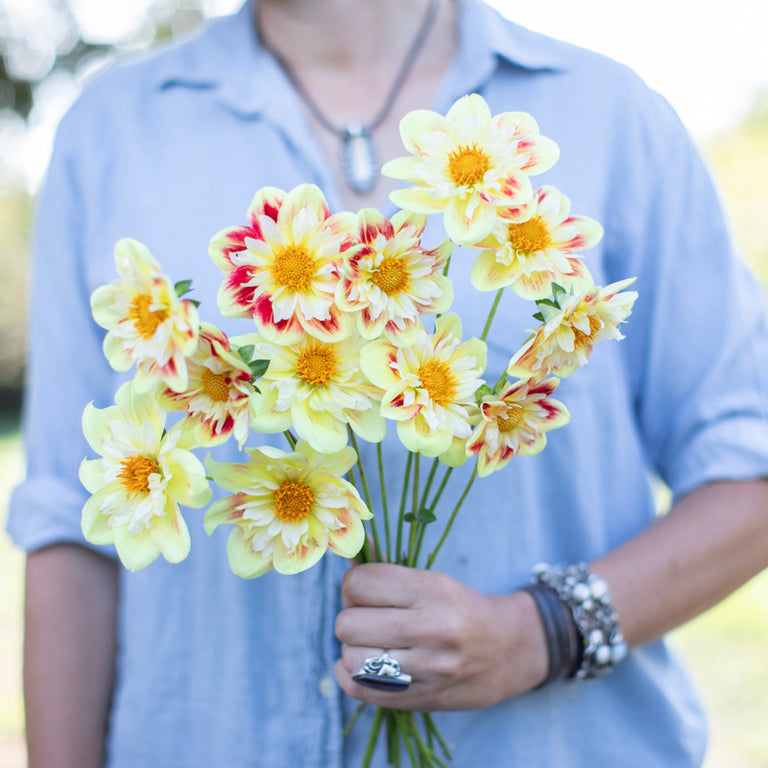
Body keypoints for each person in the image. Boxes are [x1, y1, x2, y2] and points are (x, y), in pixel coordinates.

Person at [9, 0, 768, 766]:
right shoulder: (111, 130)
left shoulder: (611, 116)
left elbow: (753, 466)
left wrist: (539, 633)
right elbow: (73, 524)